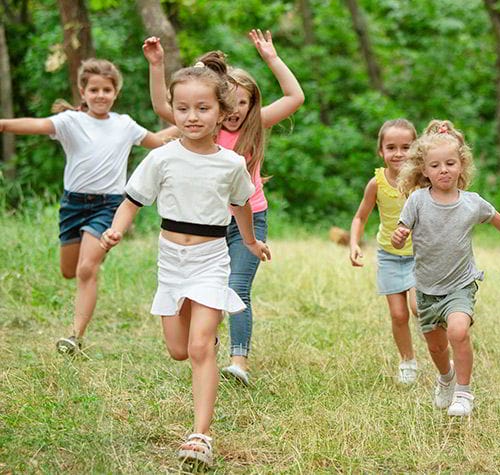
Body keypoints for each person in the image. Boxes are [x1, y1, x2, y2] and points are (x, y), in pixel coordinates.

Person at [99, 54, 269, 468]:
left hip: (212, 259)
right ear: (172, 110)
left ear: (222, 113)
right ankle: (204, 343)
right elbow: (133, 199)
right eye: (183, 108)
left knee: (197, 350)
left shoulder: (231, 163)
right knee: (179, 349)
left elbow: (242, 203)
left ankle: (200, 435)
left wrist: (248, 241)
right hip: (171, 261)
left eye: (203, 108)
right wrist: (117, 229)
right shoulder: (163, 156)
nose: (192, 116)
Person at [143, 28, 304, 385]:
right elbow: (161, 106)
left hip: (250, 219)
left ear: (251, 106)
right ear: (219, 105)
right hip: (206, 224)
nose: (236, 110)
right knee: (203, 293)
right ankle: (207, 342)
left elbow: (295, 96)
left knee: (238, 286)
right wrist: (157, 66)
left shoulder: (257, 125)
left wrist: (271, 58)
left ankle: (238, 362)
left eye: (244, 102)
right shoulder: (208, 127)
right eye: (230, 102)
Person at [0, 58, 169, 355]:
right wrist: (3, 125)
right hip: (73, 204)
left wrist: (187, 125)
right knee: (69, 270)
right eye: (94, 90)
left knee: (86, 269)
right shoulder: (70, 122)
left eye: (107, 89)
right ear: (83, 91)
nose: (101, 95)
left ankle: (75, 337)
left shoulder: (124, 125)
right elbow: (37, 125)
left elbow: (156, 141)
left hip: (109, 205)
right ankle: (88, 266)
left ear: (116, 92)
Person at [392, 120, 500, 417]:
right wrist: (398, 237)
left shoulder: (472, 203)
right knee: (435, 348)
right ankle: (445, 378)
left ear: (462, 166)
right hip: (426, 287)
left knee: (458, 332)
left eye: (450, 163)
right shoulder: (417, 201)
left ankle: (464, 392)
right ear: (424, 170)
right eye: (435, 165)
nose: (443, 170)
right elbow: (400, 237)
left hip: (460, 284)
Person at [349, 119, 420, 384]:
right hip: (389, 255)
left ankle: (442, 351)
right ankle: (407, 361)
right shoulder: (376, 183)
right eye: (391, 147)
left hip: (419, 256)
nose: (398, 153)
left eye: (406, 147)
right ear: (381, 151)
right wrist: (355, 244)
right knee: (398, 314)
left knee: (418, 308)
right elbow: (360, 217)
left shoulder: (423, 181)